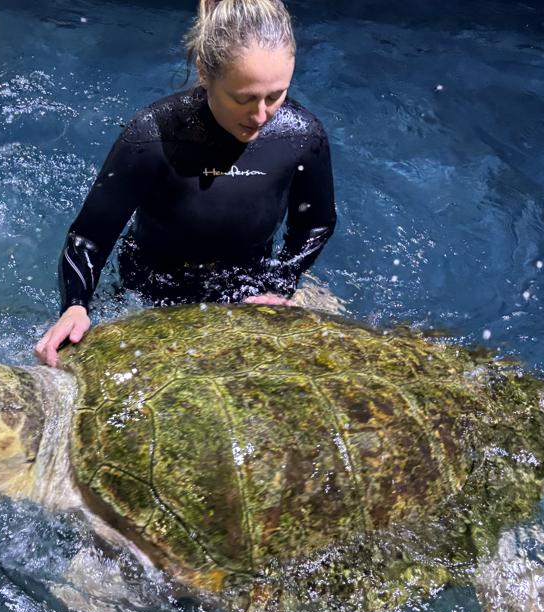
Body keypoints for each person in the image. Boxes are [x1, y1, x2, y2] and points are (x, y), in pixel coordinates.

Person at [35, 0, 337, 367]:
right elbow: (90, 237)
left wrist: (281, 282)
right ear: (205, 73)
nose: (260, 116)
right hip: (150, 297)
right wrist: (75, 306)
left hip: (250, 290)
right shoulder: (152, 137)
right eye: (243, 98)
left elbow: (316, 223)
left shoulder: (301, 136)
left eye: (275, 96)